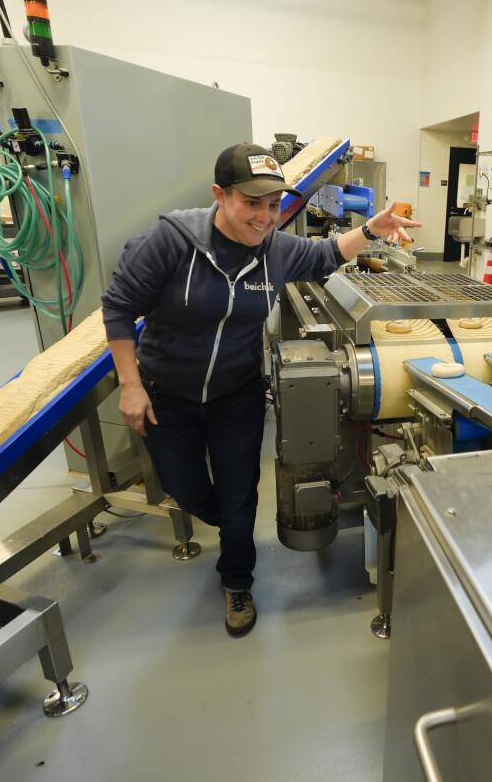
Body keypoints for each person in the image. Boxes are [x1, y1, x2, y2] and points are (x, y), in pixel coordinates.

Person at [101, 143, 420, 637]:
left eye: (273, 205)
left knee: (239, 495)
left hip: (237, 394)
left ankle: (237, 582)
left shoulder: (276, 248)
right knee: (185, 489)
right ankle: (223, 519)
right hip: (168, 393)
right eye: (252, 203)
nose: (265, 216)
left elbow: (325, 254)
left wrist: (371, 231)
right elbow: (119, 307)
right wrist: (130, 385)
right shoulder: (171, 241)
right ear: (220, 195)